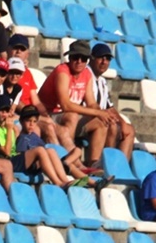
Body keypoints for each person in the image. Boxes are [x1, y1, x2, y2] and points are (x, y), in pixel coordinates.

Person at [36, 40, 112, 169]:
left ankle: (92, 163)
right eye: (75, 57)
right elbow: (65, 105)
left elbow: (91, 103)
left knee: (101, 122)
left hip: (68, 116)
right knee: (72, 115)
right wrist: (98, 112)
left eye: (83, 59)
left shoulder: (87, 74)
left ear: (87, 60)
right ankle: (71, 162)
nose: (79, 61)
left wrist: (102, 113)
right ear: (69, 58)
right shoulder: (62, 71)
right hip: (49, 114)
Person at [13, 105, 80, 187]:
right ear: (21, 121)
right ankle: (58, 183)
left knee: (50, 150)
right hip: (25, 166)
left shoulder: (34, 136)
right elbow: (22, 156)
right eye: (28, 121)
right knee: (40, 150)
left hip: (37, 165)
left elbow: (45, 151)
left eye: (34, 121)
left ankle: (64, 180)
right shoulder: (22, 138)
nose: (31, 124)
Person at [89, 43, 135, 158]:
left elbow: (110, 107)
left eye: (108, 59)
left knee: (129, 129)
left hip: (102, 117)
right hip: (89, 118)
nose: (104, 62)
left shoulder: (102, 81)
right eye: (101, 58)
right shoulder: (86, 75)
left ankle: (120, 166)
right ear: (92, 58)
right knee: (112, 125)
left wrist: (123, 123)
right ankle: (105, 163)